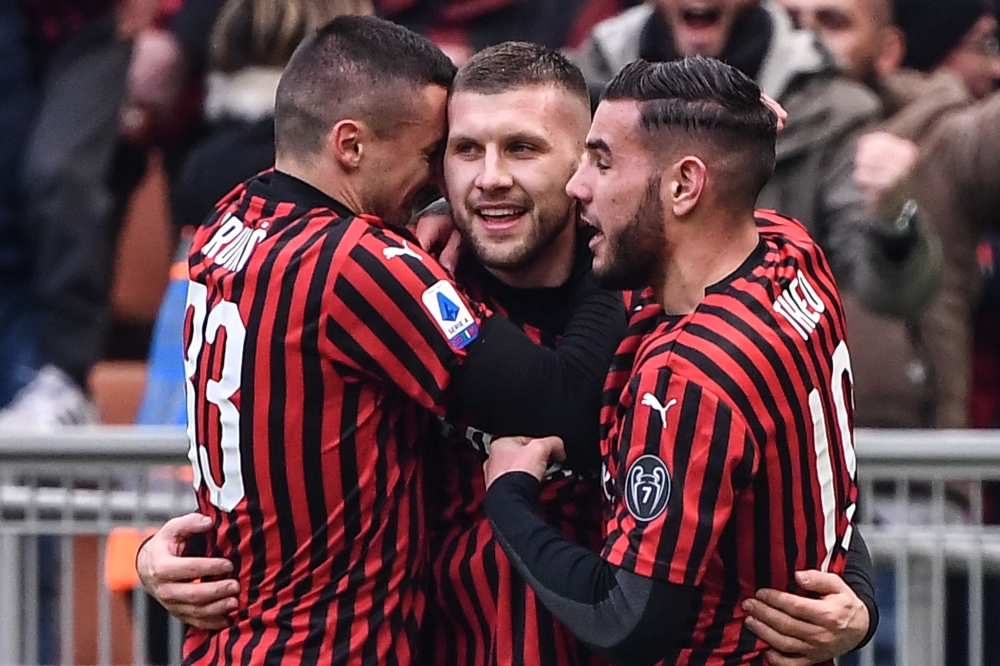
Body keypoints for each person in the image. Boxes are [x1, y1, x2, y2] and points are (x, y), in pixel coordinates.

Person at [138, 43, 877, 666]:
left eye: (523, 148)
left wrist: (856, 597)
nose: (489, 176)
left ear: (587, 163)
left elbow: (796, 468)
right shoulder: (395, 286)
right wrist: (163, 554)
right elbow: (273, 445)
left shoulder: (672, 297)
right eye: (462, 150)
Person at [164, 15, 635, 665]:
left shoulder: (233, 218)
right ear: (350, 146)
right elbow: (568, 405)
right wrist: (611, 261)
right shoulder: (369, 266)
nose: (450, 181)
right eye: (446, 153)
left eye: (522, 149)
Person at [481, 56, 861, 666]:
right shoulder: (791, 250)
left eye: (602, 162)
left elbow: (625, 622)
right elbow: (816, 477)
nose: (577, 186)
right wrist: (859, 599)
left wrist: (509, 498)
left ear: (684, 186)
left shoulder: (692, 374)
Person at [569, 0, 939, 326]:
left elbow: (893, 296)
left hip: (751, 364)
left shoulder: (829, 109)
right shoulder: (571, 87)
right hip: (599, 360)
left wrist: (892, 218)